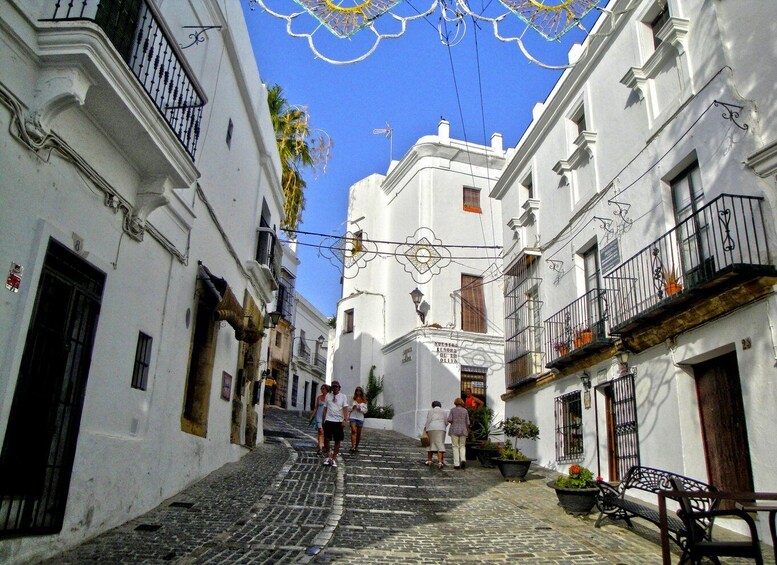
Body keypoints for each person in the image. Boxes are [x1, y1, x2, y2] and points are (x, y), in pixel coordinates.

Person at [321, 381, 349, 468]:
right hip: (329, 420)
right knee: (326, 438)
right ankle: (328, 456)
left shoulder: (343, 397)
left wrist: (345, 419)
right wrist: (323, 419)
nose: (335, 388)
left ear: (339, 388)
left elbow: (345, 408)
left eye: (336, 387)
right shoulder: (328, 396)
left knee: (338, 440)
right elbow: (325, 408)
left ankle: (334, 458)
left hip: (338, 421)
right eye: (333, 387)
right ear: (331, 388)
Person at [423, 400, 448, 469]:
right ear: (440, 405)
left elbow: (428, 420)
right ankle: (440, 462)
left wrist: (426, 428)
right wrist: (444, 425)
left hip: (431, 428)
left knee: (430, 444)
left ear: (433, 405)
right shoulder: (444, 411)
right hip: (441, 429)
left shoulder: (430, 411)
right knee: (440, 444)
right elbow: (446, 421)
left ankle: (429, 460)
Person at [448, 397, 470, 470]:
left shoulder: (452, 410)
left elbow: (449, 419)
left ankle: (456, 464)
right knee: (462, 446)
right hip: (463, 430)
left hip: (454, 429)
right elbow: (468, 422)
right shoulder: (465, 411)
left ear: (455, 403)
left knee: (455, 446)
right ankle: (463, 459)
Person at [310, 383, 329, 455]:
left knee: (323, 432)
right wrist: (312, 415)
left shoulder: (329, 398)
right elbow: (316, 407)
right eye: (321, 388)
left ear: (327, 390)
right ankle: (320, 448)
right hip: (319, 416)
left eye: (323, 388)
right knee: (320, 431)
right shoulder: (319, 398)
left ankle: (321, 444)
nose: (322, 390)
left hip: (326, 416)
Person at [348, 386, 368, 453]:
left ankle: (356, 447)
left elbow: (366, 410)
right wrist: (352, 407)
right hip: (353, 417)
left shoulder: (364, 400)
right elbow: (348, 408)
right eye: (357, 390)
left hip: (360, 418)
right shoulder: (352, 399)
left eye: (359, 390)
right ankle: (353, 446)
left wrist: (361, 409)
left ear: (361, 392)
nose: (358, 392)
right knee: (353, 431)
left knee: (358, 434)